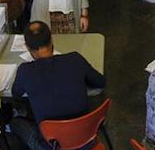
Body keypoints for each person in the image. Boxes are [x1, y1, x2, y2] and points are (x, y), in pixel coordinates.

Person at [10, 21, 105, 149]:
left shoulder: (25, 71)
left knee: (15, 123)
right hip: (86, 139)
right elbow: (100, 81)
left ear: (27, 47)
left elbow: (15, 93)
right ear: (51, 40)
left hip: (51, 145)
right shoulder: (75, 59)